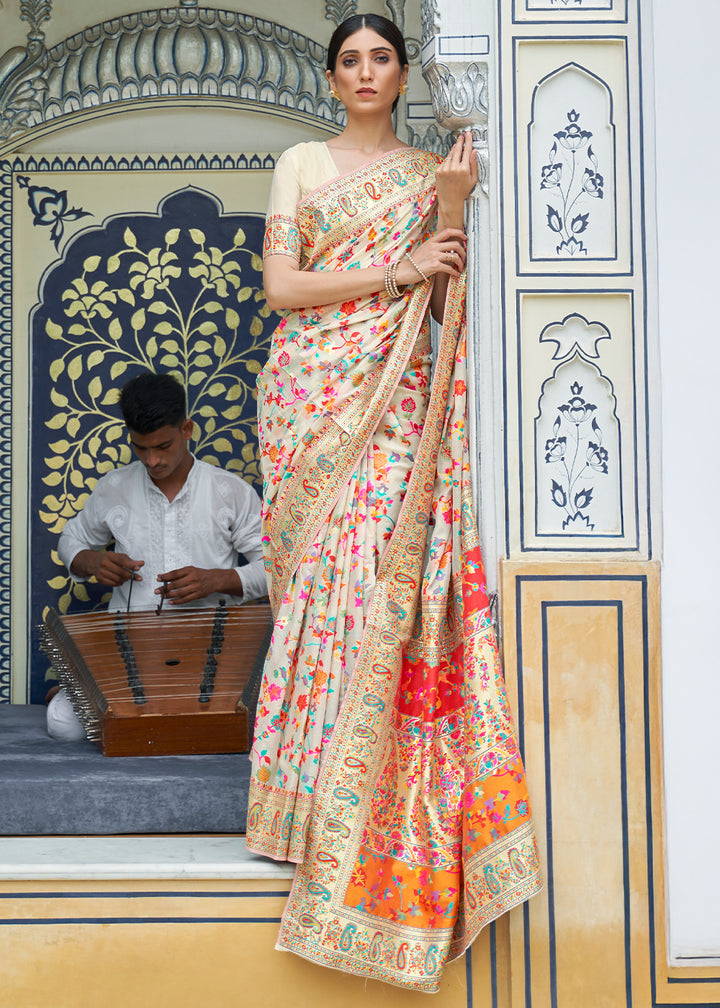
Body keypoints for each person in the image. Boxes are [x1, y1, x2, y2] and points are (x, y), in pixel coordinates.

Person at [246, 13, 542, 992]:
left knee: (373, 583)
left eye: (381, 58)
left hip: (398, 398)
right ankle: (300, 811)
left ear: (405, 74)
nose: (365, 72)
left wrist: (449, 209)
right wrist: (396, 268)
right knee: (315, 590)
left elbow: (448, 305)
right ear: (332, 78)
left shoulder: (428, 173)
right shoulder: (300, 163)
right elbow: (281, 287)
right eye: (350, 61)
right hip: (312, 399)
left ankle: (365, 802)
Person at [46, 370, 267, 741]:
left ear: (186, 429)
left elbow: (277, 570)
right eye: (141, 448)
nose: (152, 460)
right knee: (63, 726)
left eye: (163, 446)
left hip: (211, 652)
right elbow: (70, 541)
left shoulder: (230, 492)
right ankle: (77, 692)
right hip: (129, 651)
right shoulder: (114, 487)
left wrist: (217, 580)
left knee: (254, 725)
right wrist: (92, 562)